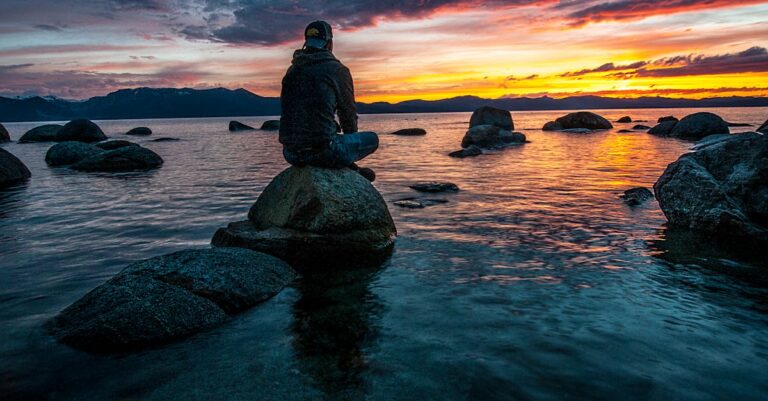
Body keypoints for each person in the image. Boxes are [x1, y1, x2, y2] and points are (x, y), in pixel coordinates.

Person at [279, 20, 378, 182]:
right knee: (372, 139)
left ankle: (347, 165)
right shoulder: (337, 70)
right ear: (329, 43)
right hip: (324, 152)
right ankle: (349, 167)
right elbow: (348, 114)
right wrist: (349, 148)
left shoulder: (292, 71)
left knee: (330, 132)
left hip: (290, 154)